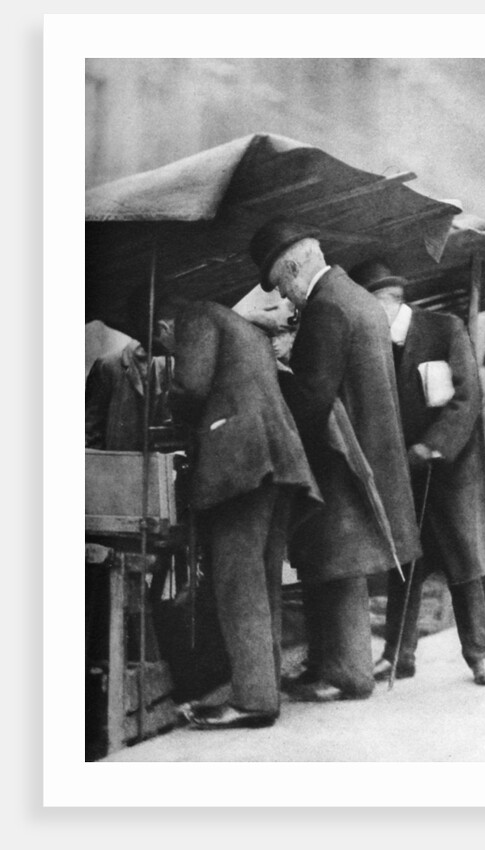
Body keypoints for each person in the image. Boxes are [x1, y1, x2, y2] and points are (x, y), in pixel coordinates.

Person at [249, 219, 421, 702]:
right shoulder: (358, 298)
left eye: (282, 283)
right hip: (373, 450)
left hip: (343, 460)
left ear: (296, 266)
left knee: (337, 562)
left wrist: (275, 368)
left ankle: (346, 674)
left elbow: (311, 397)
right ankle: (331, 665)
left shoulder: (326, 308)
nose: (284, 297)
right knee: (341, 562)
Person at [156, 298, 322, 729]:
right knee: (261, 581)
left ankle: (252, 701)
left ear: (163, 323)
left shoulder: (194, 316)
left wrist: (168, 420)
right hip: (275, 464)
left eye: (162, 343)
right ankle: (263, 693)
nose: (168, 350)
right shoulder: (240, 326)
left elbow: (190, 386)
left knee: (236, 581)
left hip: (241, 466)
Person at [349, 262, 485, 686]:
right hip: (405, 476)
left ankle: (480, 656)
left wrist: (432, 446)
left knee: (463, 565)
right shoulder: (374, 345)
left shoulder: (444, 329)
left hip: (449, 473)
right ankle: (399, 655)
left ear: (385, 302)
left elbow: (467, 398)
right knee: (405, 565)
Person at [85, 338, 172, 450]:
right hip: (117, 459)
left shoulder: (165, 366)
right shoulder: (107, 365)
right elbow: (91, 427)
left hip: (152, 460)